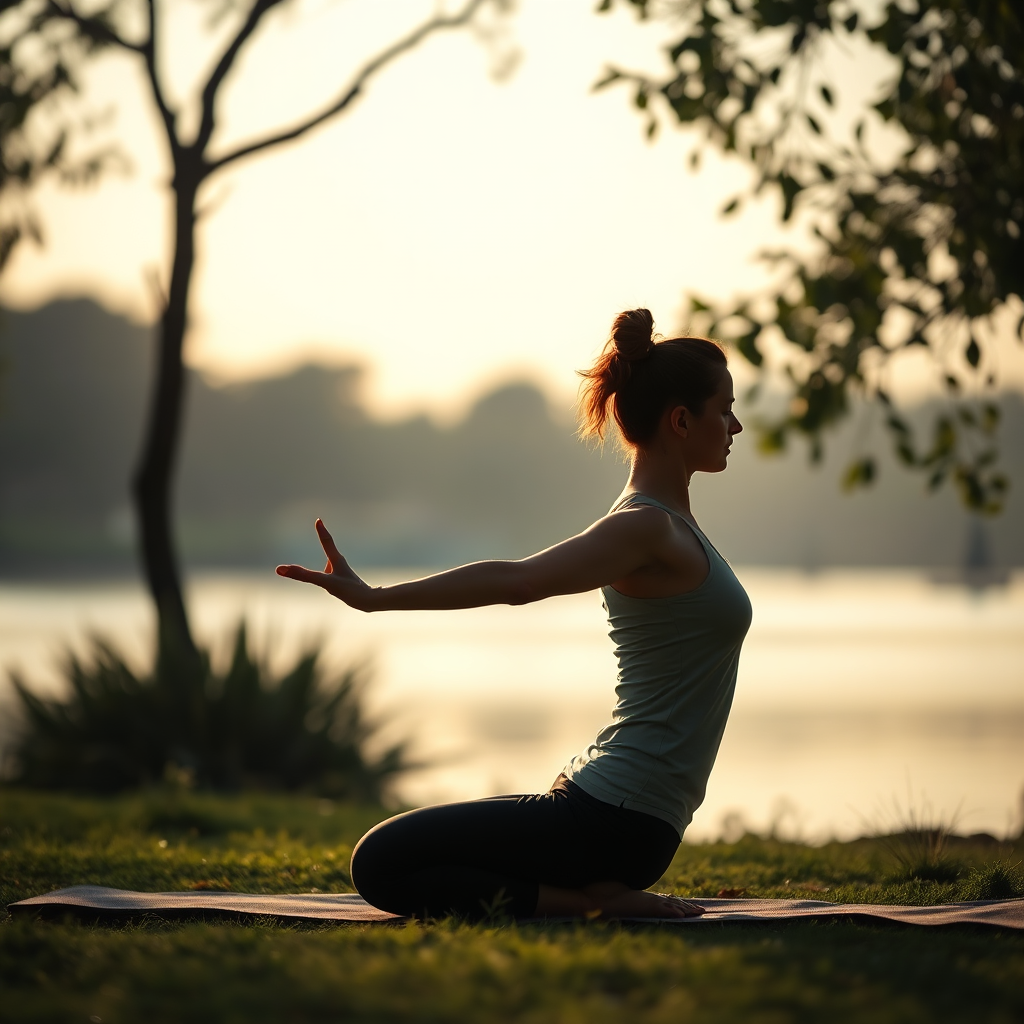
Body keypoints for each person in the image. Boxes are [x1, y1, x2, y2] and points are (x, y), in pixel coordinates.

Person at [276, 308, 750, 920]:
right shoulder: (645, 527)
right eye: (726, 408)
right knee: (379, 859)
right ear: (682, 420)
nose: (735, 425)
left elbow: (518, 578)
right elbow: (518, 580)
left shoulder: (665, 525)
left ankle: (588, 898)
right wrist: (377, 598)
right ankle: (587, 900)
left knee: (382, 862)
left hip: (620, 818)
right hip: (616, 816)